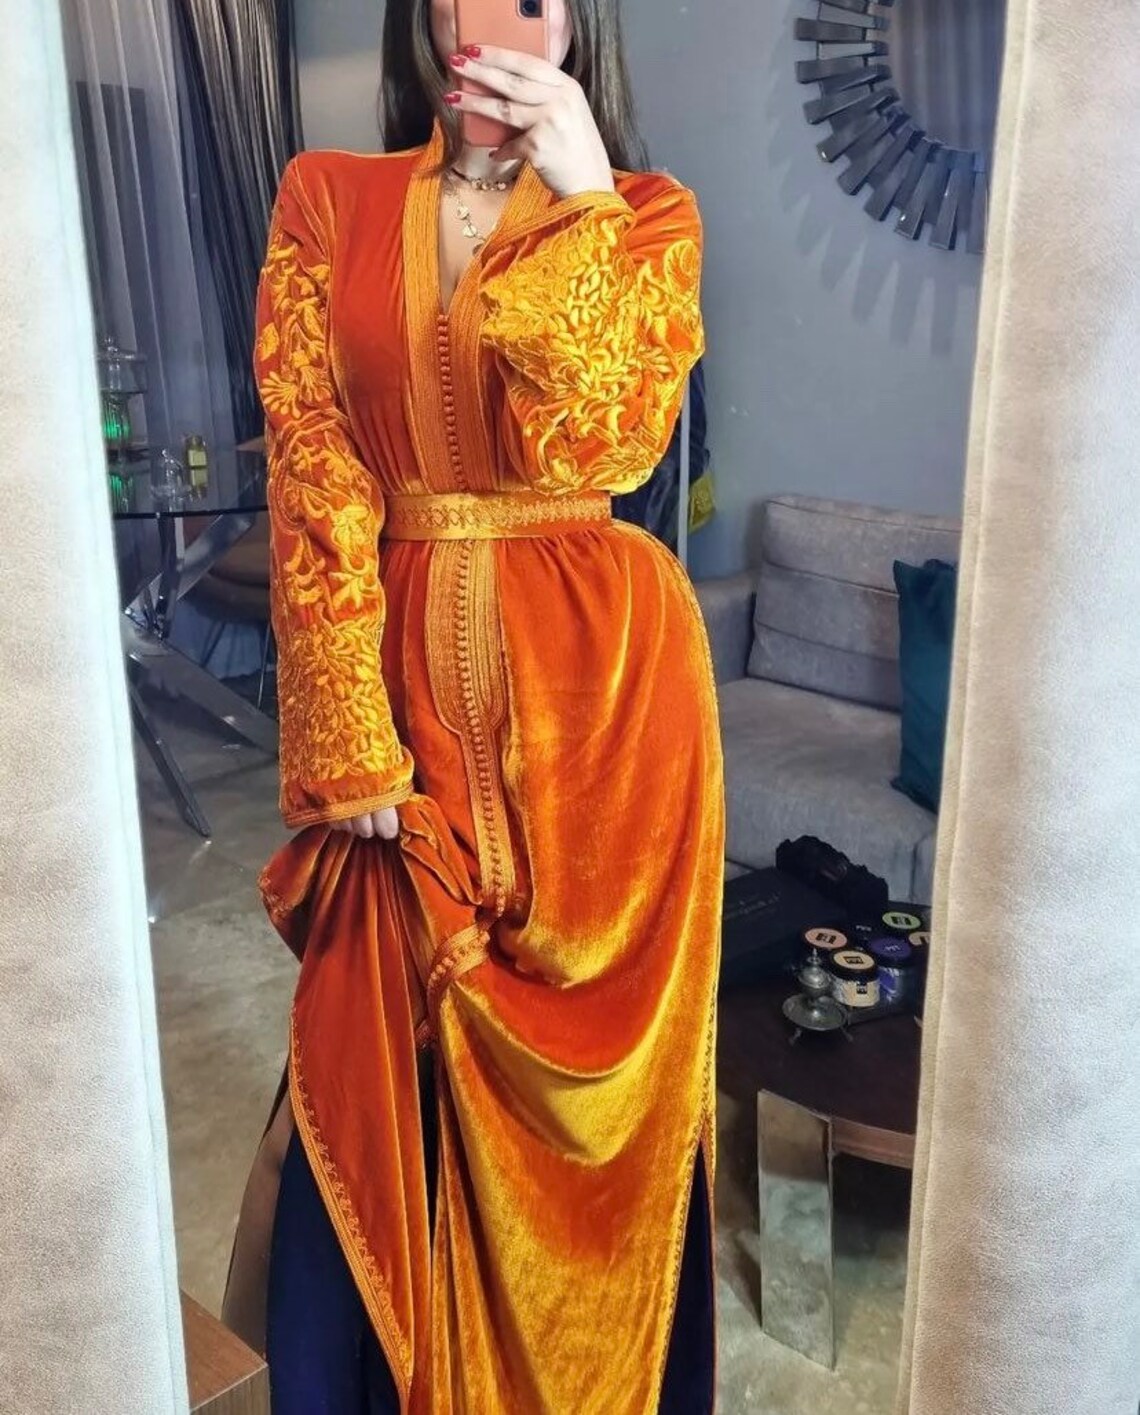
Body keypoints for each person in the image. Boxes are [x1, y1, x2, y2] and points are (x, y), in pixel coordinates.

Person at [221, 0, 724, 1408]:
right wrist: (345, 732)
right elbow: (312, 463)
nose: (480, 13)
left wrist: (584, 198)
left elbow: (612, 443)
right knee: (373, 1046)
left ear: (575, 23)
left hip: (611, 719)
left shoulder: (647, 212)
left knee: (608, 1105)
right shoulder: (328, 196)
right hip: (394, 697)